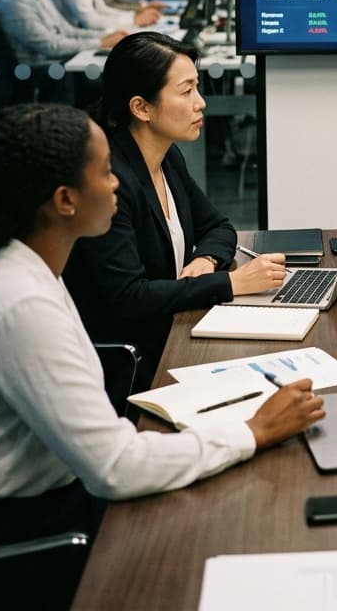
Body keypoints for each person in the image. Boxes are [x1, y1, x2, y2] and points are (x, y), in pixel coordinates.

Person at [0, 103, 324, 551]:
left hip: (59, 482)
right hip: (34, 523)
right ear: (65, 200)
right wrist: (253, 431)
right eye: (104, 173)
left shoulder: (15, 265)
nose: (117, 182)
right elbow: (117, 466)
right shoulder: (20, 305)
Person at [63, 32, 286, 386]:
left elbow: (219, 226)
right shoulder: (109, 183)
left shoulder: (166, 157)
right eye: (186, 92)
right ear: (141, 108)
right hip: (134, 362)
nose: (201, 103)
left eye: (197, 89)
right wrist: (229, 282)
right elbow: (130, 298)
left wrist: (205, 261)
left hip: (172, 329)